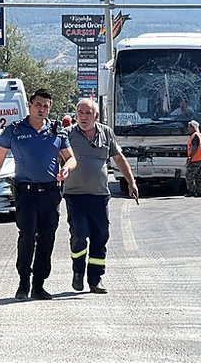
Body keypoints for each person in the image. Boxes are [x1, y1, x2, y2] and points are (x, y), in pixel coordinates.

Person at [0, 88, 77, 300]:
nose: (41, 109)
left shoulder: (57, 132)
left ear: (50, 108)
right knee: (27, 235)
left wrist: (67, 168)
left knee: (47, 237)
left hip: (50, 193)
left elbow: (71, 158)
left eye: (46, 106)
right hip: (26, 193)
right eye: (38, 105)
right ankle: (23, 281)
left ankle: (39, 284)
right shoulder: (15, 130)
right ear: (30, 105)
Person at [63, 98, 138, 294]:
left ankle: (95, 279)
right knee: (79, 234)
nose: (83, 116)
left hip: (99, 196)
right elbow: (56, 158)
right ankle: (78, 271)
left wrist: (131, 182)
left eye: (88, 113)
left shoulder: (106, 133)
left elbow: (119, 159)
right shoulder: (68, 134)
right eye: (80, 112)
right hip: (74, 195)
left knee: (101, 235)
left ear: (96, 115)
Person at [184, 120, 201, 198]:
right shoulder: (199, 135)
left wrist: (190, 157)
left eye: (189, 127)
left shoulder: (195, 136)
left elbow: (194, 147)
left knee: (189, 175)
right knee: (198, 175)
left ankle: (191, 191)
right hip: (200, 158)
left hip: (195, 159)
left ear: (193, 127)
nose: (188, 128)